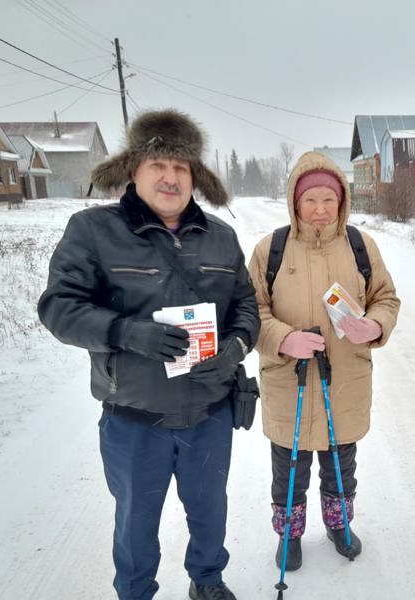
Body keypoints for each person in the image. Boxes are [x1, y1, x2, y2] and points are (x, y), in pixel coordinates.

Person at [37, 109, 259, 600]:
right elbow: (58, 308)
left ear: (194, 177)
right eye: (158, 164)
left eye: (181, 168)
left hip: (209, 413)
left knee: (209, 512)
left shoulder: (221, 237)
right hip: (135, 419)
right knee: (135, 523)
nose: (170, 176)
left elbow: (246, 305)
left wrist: (236, 346)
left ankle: (207, 581)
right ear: (134, 169)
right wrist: (124, 332)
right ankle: (135, 592)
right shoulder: (93, 230)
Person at [247, 151, 400, 571]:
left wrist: (375, 326)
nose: (319, 209)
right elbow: (249, 311)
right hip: (287, 381)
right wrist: (283, 338)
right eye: (310, 200)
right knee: (289, 468)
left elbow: (385, 298)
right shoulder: (270, 249)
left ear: (342, 202)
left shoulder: (360, 246)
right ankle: (290, 536)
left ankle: (338, 525)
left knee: (339, 464)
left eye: (328, 200)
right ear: (295, 202)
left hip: (344, 379)